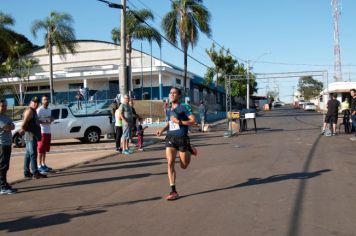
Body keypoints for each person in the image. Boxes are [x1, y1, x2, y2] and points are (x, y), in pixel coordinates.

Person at [156, 87, 197, 201]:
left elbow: (193, 121)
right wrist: (162, 129)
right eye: (170, 93)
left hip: (182, 138)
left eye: (174, 93)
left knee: (183, 166)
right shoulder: (168, 109)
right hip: (170, 138)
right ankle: (173, 191)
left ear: (179, 95)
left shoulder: (184, 107)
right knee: (170, 163)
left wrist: (179, 121)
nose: (172, 95)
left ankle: (189, 149)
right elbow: (170, 123)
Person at [20, 97, 47, 179]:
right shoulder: (29, 111)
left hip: (32, 135)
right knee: (33, 154)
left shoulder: (33, 111)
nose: (36, 104)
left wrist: (42, 122)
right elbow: (24, 124)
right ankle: (35, 173)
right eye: (34, 102)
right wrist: (24, 130)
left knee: (28, 155)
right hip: (30, 136)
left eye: (37, 102)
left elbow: (35, 121)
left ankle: (27, 173)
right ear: (30, 102)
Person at [0, 100, 17, 194]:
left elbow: (13, 126)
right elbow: (6, 127)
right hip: (2, 144)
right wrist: (9, 126)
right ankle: (2, 187)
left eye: (5, 106)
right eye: (2, 106)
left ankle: (4, 183)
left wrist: (9, 126)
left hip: (8, 144)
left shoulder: (6, 116)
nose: (4, 108)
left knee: (6, 166)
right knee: (2, 166)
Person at [37, 95, 54, 173]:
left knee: (45, 149)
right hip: (42, 132)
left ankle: (43, 164)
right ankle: (39, 166)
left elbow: (50, 119)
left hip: (48, 132)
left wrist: (51, 120)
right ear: (42, 101)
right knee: (40, 149)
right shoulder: (39, 110)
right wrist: (43, 122)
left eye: (47, 99)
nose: (46, 101)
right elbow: (36, 121)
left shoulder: (49, 110)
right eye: (44, 100)